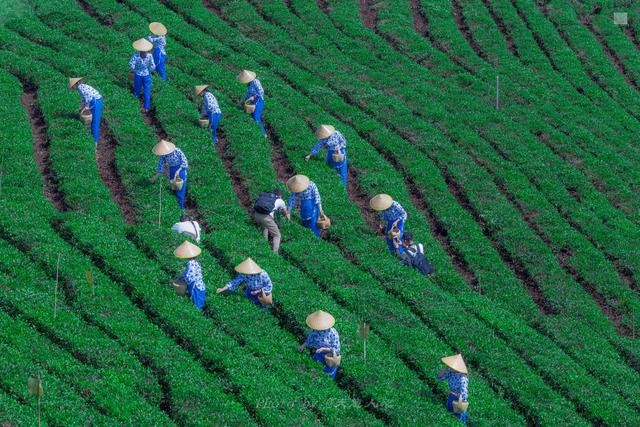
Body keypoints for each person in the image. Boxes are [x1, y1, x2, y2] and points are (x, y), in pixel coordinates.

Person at [298, 310, 341, 380]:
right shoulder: (315, 331)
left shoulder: (333, 333)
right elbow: (310, 340)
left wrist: (324, 349)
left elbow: (336, 349)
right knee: (315, 369)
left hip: (330, 356)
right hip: (319, 354)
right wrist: (303, 345)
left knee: (328, 375)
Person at [149, 139, 188, 210]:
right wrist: (155, 177)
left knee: (180, 188)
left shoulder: (177, 151)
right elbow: (161, 167)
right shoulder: (163, 156)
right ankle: (176, 206)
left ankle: (181, 209)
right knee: (174, 186)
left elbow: (184, 162)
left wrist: (178, 170)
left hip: (181, 170)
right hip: (172, 171)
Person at [253, 189, 289, 254]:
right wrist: (287, 217)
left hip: (256, 215)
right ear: (280, 196)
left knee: (265, 227)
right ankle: (275, 254)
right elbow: (285, 213)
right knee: (277, 235)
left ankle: (265, 246)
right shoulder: (280, 200)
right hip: (266, 218)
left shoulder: (267, 196)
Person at [174, 240, 206, 310]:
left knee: (196, 302)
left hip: (195, 285)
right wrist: (180, 277)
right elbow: (187, 273)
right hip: (200, 285)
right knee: (199, 302)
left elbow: (190, 276)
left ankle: (198, 314)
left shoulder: (190, 263)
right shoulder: (196, 261)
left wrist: (182, 280)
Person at [437, 354, 469, 424]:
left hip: (459, 403)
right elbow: (439, 377)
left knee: (458, 421)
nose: (451, 366)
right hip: (451, 399)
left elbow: (464, 396)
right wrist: (446, 368)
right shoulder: (450, 372)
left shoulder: (462, 378)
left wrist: (452, 393)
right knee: (450, 420)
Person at [68, 77, 102, 143]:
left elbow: (87, 97)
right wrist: (82, 107)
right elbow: (84, 98)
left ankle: (95, 139)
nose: (73, 88)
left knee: (94, 120)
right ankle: (95, 136)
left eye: (73, 86)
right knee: (95, 119)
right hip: (97, 100)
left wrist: (86, 107)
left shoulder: (80, 88)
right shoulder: (82, 86)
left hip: (95, 101)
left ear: (75, 84)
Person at [237, 70, 266, 137]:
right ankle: (257, 133)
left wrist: (254, 96)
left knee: (256, 117)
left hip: (258, 101)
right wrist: (241, 101)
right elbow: (247, 94)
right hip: (253, 102)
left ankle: (263, 134)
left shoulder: (255, 81)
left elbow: (261, 91)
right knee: (252, 116)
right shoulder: (250, 84)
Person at [129, 38, 155, 112]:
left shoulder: (136, 55)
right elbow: (153, 66)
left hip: (138, 75)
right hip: (146, 75)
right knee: (147, 90)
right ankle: (147, 107)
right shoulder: (149, 56)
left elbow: (131, 64)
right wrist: (149, 71)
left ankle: (136, 105)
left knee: (137, 90)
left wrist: (134, 70)